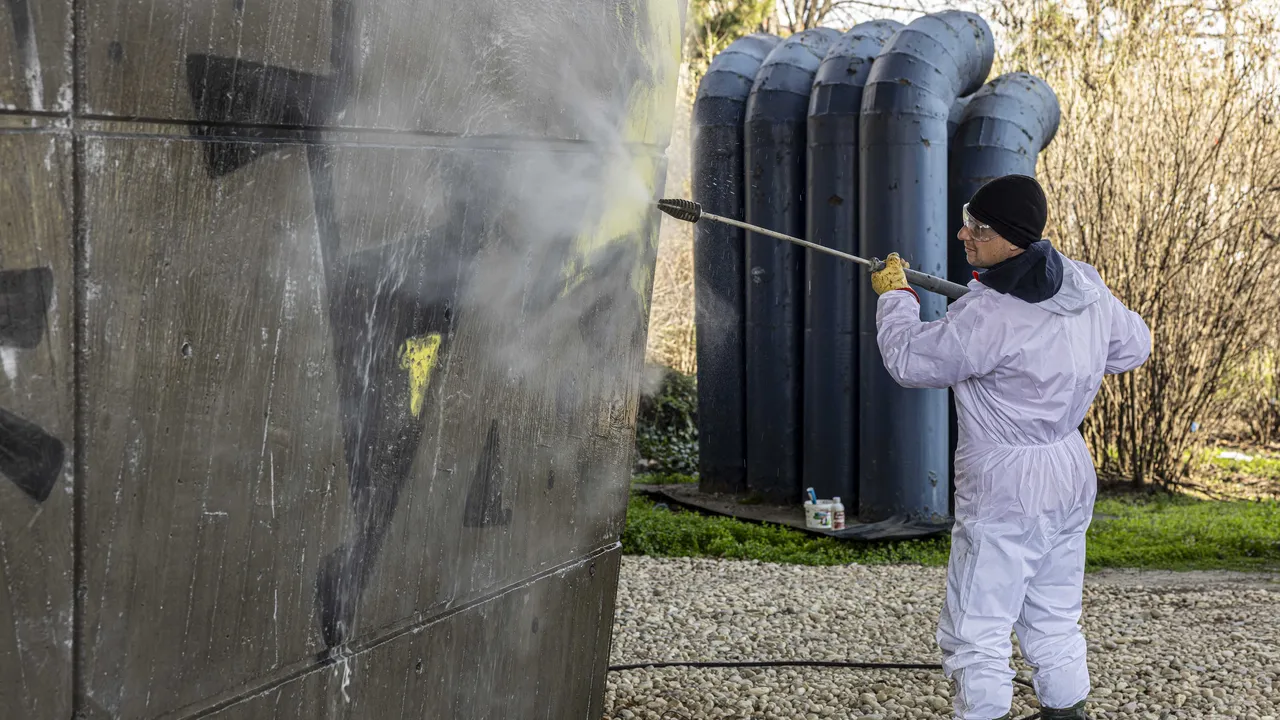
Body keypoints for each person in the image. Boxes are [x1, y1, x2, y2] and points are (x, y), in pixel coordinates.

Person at [869, 174, 1151, 720]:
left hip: (1007, 482)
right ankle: (1067, 712)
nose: (962, 234)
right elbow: (1133, 345)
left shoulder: (988, 315)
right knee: (1053, 613)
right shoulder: (1083, 284)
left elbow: (908, 360)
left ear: (1011, 239)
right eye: (967, 221)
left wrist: (897, 298)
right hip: (1068, 466)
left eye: (977, 228)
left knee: (977, 627)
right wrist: (1076, 351)